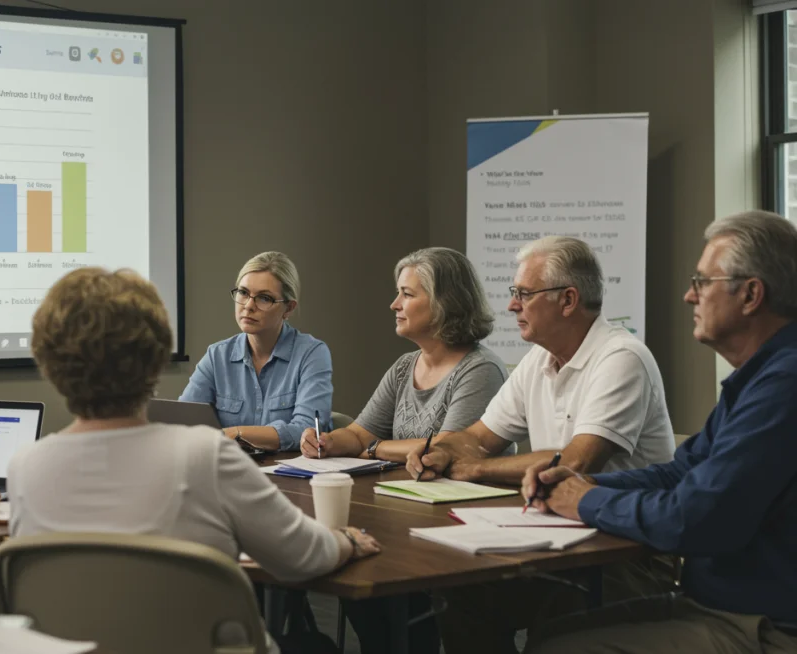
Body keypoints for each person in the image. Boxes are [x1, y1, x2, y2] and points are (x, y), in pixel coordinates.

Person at [8, 267, 380, 654]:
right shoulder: (205, 456)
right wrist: (346, 539)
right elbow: (304, 558)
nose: (249, 304)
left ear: (46, 362)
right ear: (156, 356)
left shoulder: (25, 467)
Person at [524, 211, 797, 654]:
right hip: (721, 606)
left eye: (703, 282)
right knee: (551, 633)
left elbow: (696, 516)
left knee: (559, 648)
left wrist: (586, 500)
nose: (690, 295)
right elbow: (680, 472)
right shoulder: (759, 377)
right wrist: (588, 483)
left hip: (768, 627)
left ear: (750, 294)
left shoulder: (784, 385)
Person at [406, 236, 676, 653]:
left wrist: (474, 467)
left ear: (568, 300)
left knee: (558, 614)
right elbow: (478, 437)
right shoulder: (538, 359)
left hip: (625, 551)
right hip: (557, 535)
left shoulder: (621, 358)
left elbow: (575, 462)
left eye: (523, 294)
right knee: (462, 595)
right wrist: (440, 451)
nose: (512, 305)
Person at [299, 247, 506, 654]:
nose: (395, 304)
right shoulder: (403, 366)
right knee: (360, 575)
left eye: (407, 295)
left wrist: (375, 447)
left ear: (445, 302)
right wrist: (326, 441)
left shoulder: (481, 369)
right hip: (402, 511)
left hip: (456, 522)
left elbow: (448, 446)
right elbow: (358, 433)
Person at [180, 251, 332, 452]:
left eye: (264, 298)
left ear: (288, 308)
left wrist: (235, 433)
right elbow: (182, 422)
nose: (249, 306)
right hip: (228, 470)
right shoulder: (217, 355)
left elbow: (307, 431)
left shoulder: (312, 354)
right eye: (243, 293)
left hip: (292, 475)